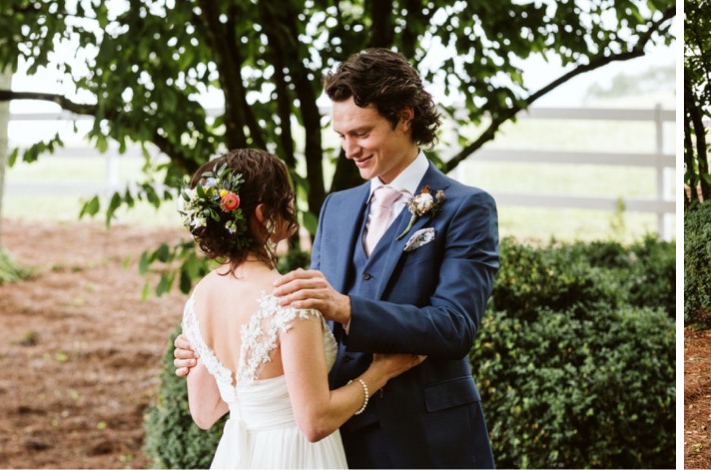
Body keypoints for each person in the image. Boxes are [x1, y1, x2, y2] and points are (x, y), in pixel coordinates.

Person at [175, 49, 500, 468]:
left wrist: (345, 308)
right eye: (342, 135)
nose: (350, 150)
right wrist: (216, 355)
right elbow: (294, 325)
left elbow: (455, 326)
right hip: (331, 439)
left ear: (404, 118)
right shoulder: (338, 207)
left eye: (361, 133)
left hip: (426, 441)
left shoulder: (466, 208)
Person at [176, 148, 424, 468]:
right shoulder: (291, 299)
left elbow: (204, 413)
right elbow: (315, 422)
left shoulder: (199, 298)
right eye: (287, 197)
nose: (291, 205)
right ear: (264, 214)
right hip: (296, 457)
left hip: (238, 455)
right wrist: (382, 371)